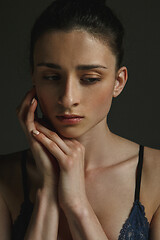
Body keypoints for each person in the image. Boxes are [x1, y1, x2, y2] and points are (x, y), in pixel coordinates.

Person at [0, 0, 160, 239]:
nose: (68, 98)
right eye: (52, 77)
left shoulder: (155, 174)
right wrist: (48, 189)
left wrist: (76, 203)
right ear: (34, 77)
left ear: (118, 82)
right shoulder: (4, 177)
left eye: (90, 78)